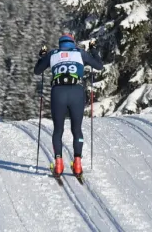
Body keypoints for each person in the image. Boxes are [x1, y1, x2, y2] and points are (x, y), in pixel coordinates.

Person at [33, 33, 104, 177]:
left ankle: (58, 164)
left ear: (61, 44)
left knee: (58, 130)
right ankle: (77, 164)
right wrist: (93, 50)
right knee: (77, 129)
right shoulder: (80, 53)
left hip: (58, 92)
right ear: (73, 43)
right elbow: (99, 66)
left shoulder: (53, 54)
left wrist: (42, 56)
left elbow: (37, 71)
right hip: (76, 92)